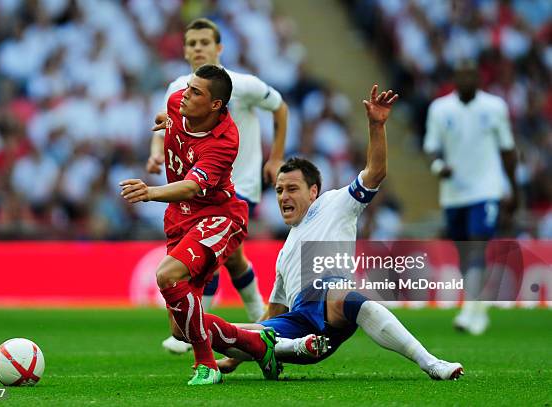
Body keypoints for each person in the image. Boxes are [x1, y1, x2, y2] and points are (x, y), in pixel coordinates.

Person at [208, 85, 464, 381]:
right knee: (227, 331)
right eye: (279, 190)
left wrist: (376, 125)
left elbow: (375, 171)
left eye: (292, 189)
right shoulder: (285, 252)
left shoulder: (335, 202)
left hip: (332, 302)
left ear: (313, 191)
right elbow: (273, 315)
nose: (282, 197)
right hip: (299, 321)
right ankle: (293, 348)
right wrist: (234, 358)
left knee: (343, 294)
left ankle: (430, 362)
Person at [120, 64, 278, 385]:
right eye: (188, 88)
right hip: (180, 218)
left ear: (215, 105)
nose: (185, 95)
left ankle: (207, 366)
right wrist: (165, 126)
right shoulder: (176, 103)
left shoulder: (225, 140)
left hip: (219, 216)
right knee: (181, 329)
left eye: (195, 92)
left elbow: (193, 186)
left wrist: (150, 192)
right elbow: (170, 125)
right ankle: (256, 344)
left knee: (166, 274)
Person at [147, 18, 289, 353]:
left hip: (239, 185)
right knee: (232, 257)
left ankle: (196, 327)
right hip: (197, 188)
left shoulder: (242, 85)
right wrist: (155, 155)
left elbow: (280, 108)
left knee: (211, 254)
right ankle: (261, 321)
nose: (198, 48)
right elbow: (166, 126)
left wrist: (276, 158)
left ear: (219, 48)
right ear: (184, 50)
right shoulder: (177, 89)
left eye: (204, 42)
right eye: (192, 42)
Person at [424, 60, 517, 335]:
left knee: (477, 244)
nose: (466, 79)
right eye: (461, 75)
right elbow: (431, 148)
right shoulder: (440, 109)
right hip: (454, 194)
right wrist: (439, 167)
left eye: (471, 75)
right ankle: (478, 307)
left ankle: (469, 309)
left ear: (479, 78)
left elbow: (508, 150)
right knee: (465, 252)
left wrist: (514, 190)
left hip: (486, 189)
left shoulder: (495, 107)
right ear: (454, 78)